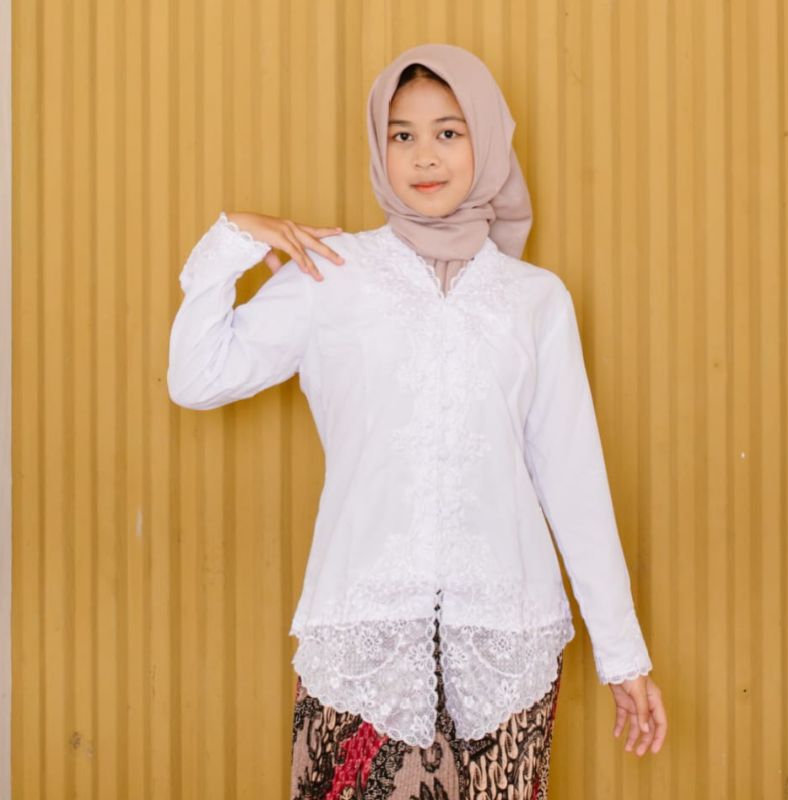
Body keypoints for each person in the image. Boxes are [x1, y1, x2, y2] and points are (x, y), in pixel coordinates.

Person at [167, 43, 667, 798]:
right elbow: (196, 376)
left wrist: (623, 657)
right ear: (380, 147)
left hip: (506, 650)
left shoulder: (535, 299)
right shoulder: (330, 274)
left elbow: (574, 483)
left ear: (486, 141)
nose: (424, 156)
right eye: (401, 134)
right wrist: (235, 236)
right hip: (362, 646)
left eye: (449, 132)